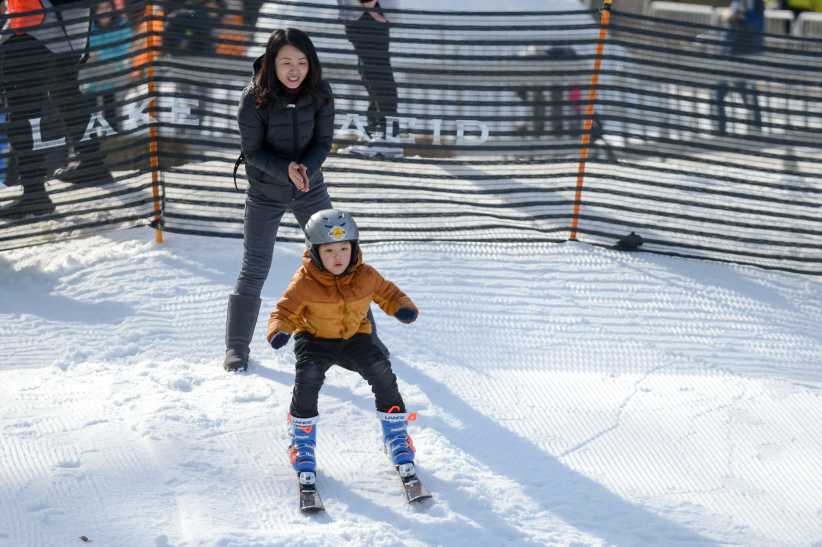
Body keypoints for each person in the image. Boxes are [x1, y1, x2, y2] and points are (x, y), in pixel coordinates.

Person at [224, 28, 387, 372]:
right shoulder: (252, 98)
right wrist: (286, 169)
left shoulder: (320, 92)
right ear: (271, 64)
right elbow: (251, 151)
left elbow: (323, 142)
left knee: (341, 258)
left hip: (309, 188)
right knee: (255, 266)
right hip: (265, 192)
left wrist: (305, 171)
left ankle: (366, 337)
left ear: (310, 63)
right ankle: (236, 348)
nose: (294, 70)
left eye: (301, 62)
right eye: (286, 62)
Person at [267, 208, 420, 486]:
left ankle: (396, 437)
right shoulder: (304, 281)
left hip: (355, 337)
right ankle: (301, 442)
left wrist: (402, 307)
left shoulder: (366, 275)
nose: (337, 257)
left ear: (354, 248)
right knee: (308, 378)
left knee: (381, 372)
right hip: (314, 338)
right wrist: (280, 330)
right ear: (314, 252)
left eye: (343, 249)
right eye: (328, 251)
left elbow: (388, 293)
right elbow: (284, 310)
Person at [0, 0, 115, 218]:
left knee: (22, 106)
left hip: (35, 21)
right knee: (66, 92)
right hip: (74, 20)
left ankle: (35, 195)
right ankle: (92, 163)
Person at [338, 0, 398, 139]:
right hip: (364, 17)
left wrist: (370, 8)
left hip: (367, 17)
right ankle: (378, 133)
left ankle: (386, 135)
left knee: (377, 75)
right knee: (370, 75)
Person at [716, 0, 764, 135]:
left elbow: (754, 25)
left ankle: (757, 131)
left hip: (746, 55)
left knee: (748, 96)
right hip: (730, 55)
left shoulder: (756, 3)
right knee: (718, 93)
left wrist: (736, 18)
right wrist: (727, 16)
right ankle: (721, 133)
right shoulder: (737, 1)